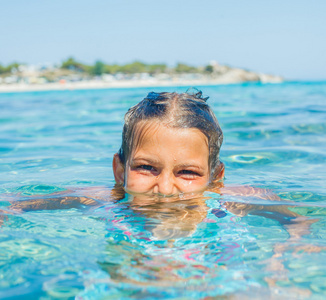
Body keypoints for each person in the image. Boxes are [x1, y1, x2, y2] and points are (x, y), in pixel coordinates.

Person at [1, 90, 315, 240]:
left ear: (216, 179)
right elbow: (17, 205)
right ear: (119, 171)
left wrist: (294, 246)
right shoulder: (98, 198)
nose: (164, 189)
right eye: (146, 168)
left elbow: (299, 218)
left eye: (188, 172)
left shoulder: (233, 199)